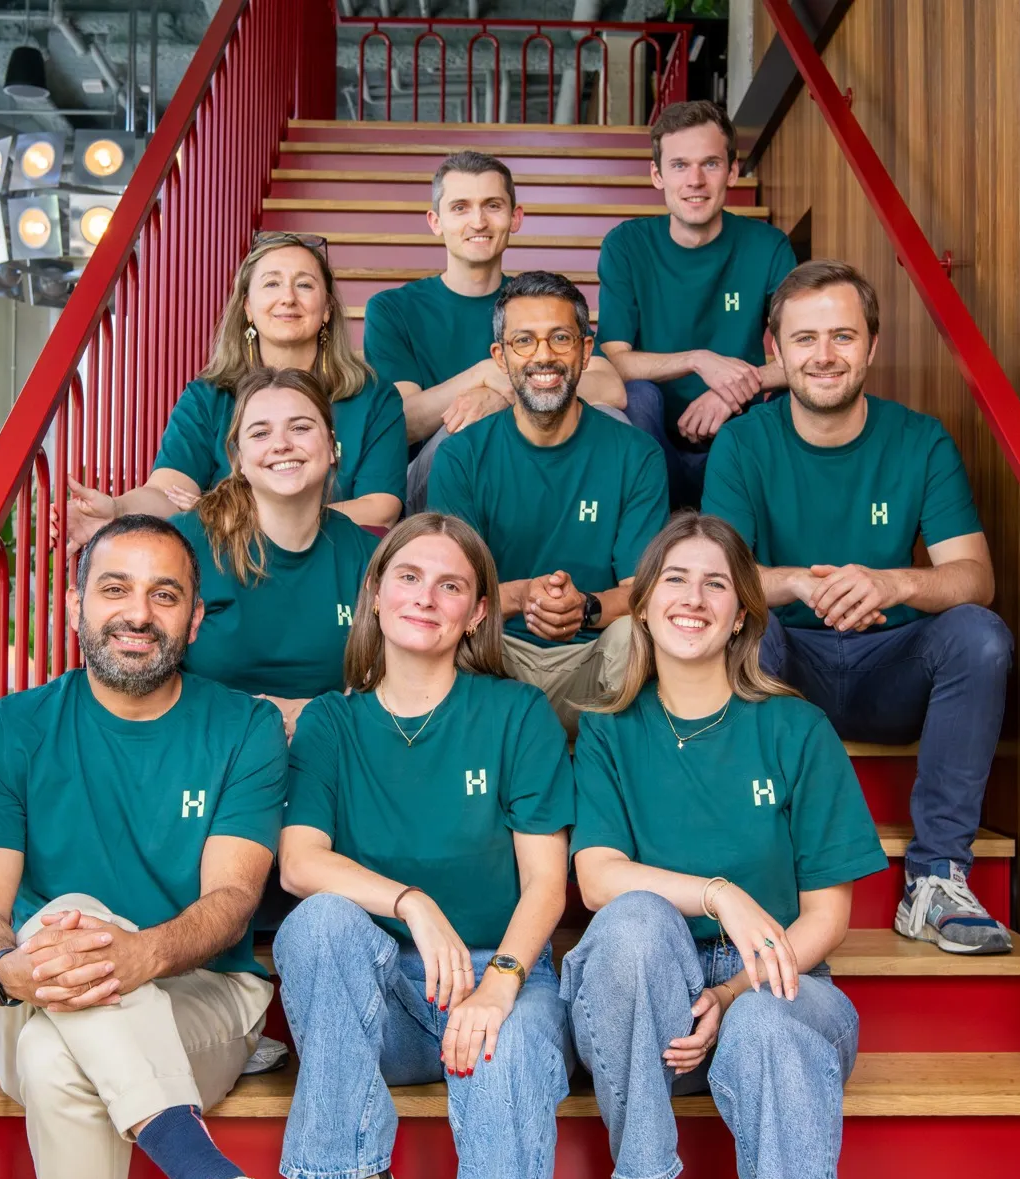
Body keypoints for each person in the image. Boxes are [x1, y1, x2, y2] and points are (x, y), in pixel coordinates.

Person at [0, 514, 333, 1179]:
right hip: (37, 990)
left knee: (61, 1026)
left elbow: (231, 898)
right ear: (75, 605)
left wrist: (135, 956)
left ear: (193, 618)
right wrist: (3, 970)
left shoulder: (245, 727)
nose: (138, 614)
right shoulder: (10, 731)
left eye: (165, 595)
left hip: (202, 994)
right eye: (115, 588)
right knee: (60, 943)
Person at [561, 511, 887, 1179]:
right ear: (641, 604)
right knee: (634, 919)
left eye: (716, 584)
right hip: (644, 1015)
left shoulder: (797, 730)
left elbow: (828, 917)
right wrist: (719, 895)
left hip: (778, 988)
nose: (693, 598)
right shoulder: (609, 730)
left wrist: (738, 991)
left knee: (773, 1024)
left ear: (742, 613)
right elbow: (596, 876)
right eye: (674, 579)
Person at [271, 513, 574, 1179]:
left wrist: (500, 984)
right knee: (319, 924)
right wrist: (411, 902)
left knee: (506, 1065)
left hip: (495, 980)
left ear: (478, 612)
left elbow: (547, 882)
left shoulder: (516, 714)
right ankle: (361, 1174)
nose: (425, 597)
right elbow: (300, 863)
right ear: (375, 594)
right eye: (407, 577)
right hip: (373, 1002)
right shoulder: (332, 723)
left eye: (452, 585)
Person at [701, 258, 1014, 955]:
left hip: (888, 668)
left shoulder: (919, 439)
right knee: (743, 625)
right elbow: (719, 574)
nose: (825, 355)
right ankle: (761, 873)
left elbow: (975, 575)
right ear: (775, 353)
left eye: (843, 336)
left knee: (979, 636)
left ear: (872, 347)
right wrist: (800, 585)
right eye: (805, 339)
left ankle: (935, 879)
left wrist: (895, 584)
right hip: (786, 669)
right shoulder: (745, 442)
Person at [427, 271, 667, 734]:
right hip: (496, 658)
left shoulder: (636, 454)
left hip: (592, 661)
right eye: (524, 341)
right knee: (436, 628)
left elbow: (643, 589)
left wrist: (587, 607)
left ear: (585, 349)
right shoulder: (461, 456)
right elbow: (448, 590)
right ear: (500, 356)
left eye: (560, 338)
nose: (543, 356)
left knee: (640, 633)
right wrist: (524, 597)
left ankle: (606, 773)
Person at [64, 231, 406, 549]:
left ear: (328, 308)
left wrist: (237, 516)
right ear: (247, 308)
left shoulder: (371, 396)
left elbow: (380, 509)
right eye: (271, 284)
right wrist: (117, 508)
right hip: (232, 562)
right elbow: (167, 493)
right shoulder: (209, 397)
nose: (288, 298)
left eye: (304, 285)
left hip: (337, 563)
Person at [362, 150, 626, 513]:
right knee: (463, 429)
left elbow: (612, 388)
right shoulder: (393, 308)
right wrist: (482, 375)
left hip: (537, 466)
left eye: (492, 205)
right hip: (439, 482)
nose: (478, 221)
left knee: (612, 420)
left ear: (515, 218)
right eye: (460, 207)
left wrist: (506, 396)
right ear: (435, 221)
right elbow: (402, 422)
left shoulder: (537, 301)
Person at [597, 100, 797, 509]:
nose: (695, 181)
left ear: (733, 171)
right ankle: (643, 541)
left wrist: (731, 392)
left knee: (790, 399)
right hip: (651, 439)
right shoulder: (627, 245)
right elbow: (612, 358)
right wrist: (699, 360)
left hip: (739, 435)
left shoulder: (767, 246)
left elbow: (800, 355)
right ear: (657, 175)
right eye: (679, 165)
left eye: (710, 164)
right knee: (633, 398)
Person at [171, 366, 379, 744]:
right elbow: (144, 668)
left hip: (320, 752)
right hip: (203, 748)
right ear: (238, 458)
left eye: (300, 428)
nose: (281, 444)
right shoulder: (187, 542)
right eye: (261, 433)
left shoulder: (367, 556)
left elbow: (382, 692)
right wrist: (258, 712)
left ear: (332, 446)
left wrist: (313, 717)